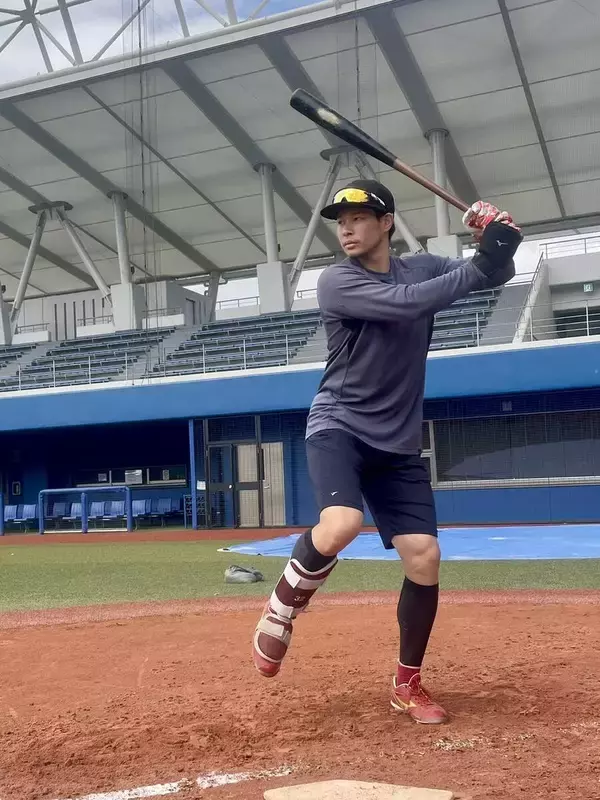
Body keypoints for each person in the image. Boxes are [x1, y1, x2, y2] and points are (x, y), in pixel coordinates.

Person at [252, 179, 522, 724]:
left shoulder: (420, 266)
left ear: (387, 222)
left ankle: (408, 683)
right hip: (341, 425)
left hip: (397, 442)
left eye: (358, 217)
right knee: (341, 523)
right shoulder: (337, 281)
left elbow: (493, 274)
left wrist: (501, 238)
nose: (346, 228)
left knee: (424, 556)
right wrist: (481, 257)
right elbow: (408, 306)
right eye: (340, 220)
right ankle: (280, 609)